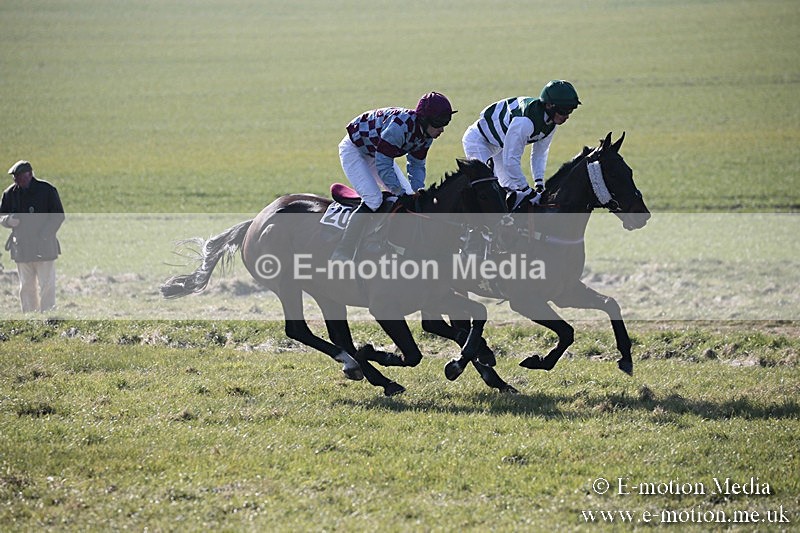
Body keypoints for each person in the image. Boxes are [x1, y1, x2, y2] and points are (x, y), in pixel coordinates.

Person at [330, 92, 457, 261]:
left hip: (377, 152)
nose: (442, 129)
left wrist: (417, 191)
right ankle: (343, 250)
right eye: (439, 124)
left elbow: (417, 165)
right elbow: (384, 165)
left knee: (409, 195)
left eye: (445, 124)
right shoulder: (398, 128)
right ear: (425, 120)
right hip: (355, 150)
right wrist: (398, 191)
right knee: (374, 199)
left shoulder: (426, 135)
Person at [462, 80, 581, 210]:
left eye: (570, 110)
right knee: (490, 190)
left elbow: (539, 154)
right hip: (478, 141)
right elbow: (511, 161)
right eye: (564, 110)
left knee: (513, 191)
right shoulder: (525, 123)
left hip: (500, 145)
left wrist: (539, 184)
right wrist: (527, 190)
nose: (567, 116)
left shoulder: (551, 123)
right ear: (549, 106)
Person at [0, 160, 65, 312]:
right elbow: (1, 215)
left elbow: (58, 216)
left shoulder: (47, 190)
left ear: (29, 174)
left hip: (45, 246)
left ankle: (48, 314)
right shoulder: (9, 193)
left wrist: (44, 235)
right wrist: (8, 220)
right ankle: (30, 315)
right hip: (21, 247)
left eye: (19, 176)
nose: (16, 180)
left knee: (47, 284)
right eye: (14, 177)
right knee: (26, 285)